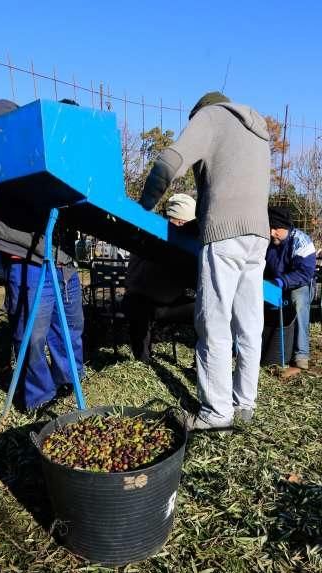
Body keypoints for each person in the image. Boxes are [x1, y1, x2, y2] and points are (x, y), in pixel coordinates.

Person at [139, 91, 271, 430]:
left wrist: (145, 204)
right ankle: (245, 405)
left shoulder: (211, 117)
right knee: (249, 324)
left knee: (213, 322)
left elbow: (171, 159)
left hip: (225, 235)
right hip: (257, 236)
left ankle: (216, 414)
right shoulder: (257, 132)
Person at [0, 98, 84, 413]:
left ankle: (70, 379)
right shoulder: (23, 155)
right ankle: (39, 397)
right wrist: (25, 127)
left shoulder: (72, 167)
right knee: (32, 334)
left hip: (62, 261)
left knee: (70, 327)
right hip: (26, 260)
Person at [123, 193, 197, 363]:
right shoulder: (152, 238)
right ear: (173, 220)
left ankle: (203, 361)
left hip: (169, 302)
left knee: (206, 309)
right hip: (143, 299)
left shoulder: (186, 246)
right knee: (137, 305)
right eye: (181, 223)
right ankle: (143, 362)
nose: (183, 228)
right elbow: (135, 281)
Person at [265, 205, 316, 373]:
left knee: (298, 300)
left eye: (276, 229)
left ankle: (301, 355)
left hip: (299, 284)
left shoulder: (301, 241)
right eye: (270, 228)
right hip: (273, 282)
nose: (272, 232)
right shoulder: (267, 241)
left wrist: (281, 282)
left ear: (285, 227)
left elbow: (305, 273)